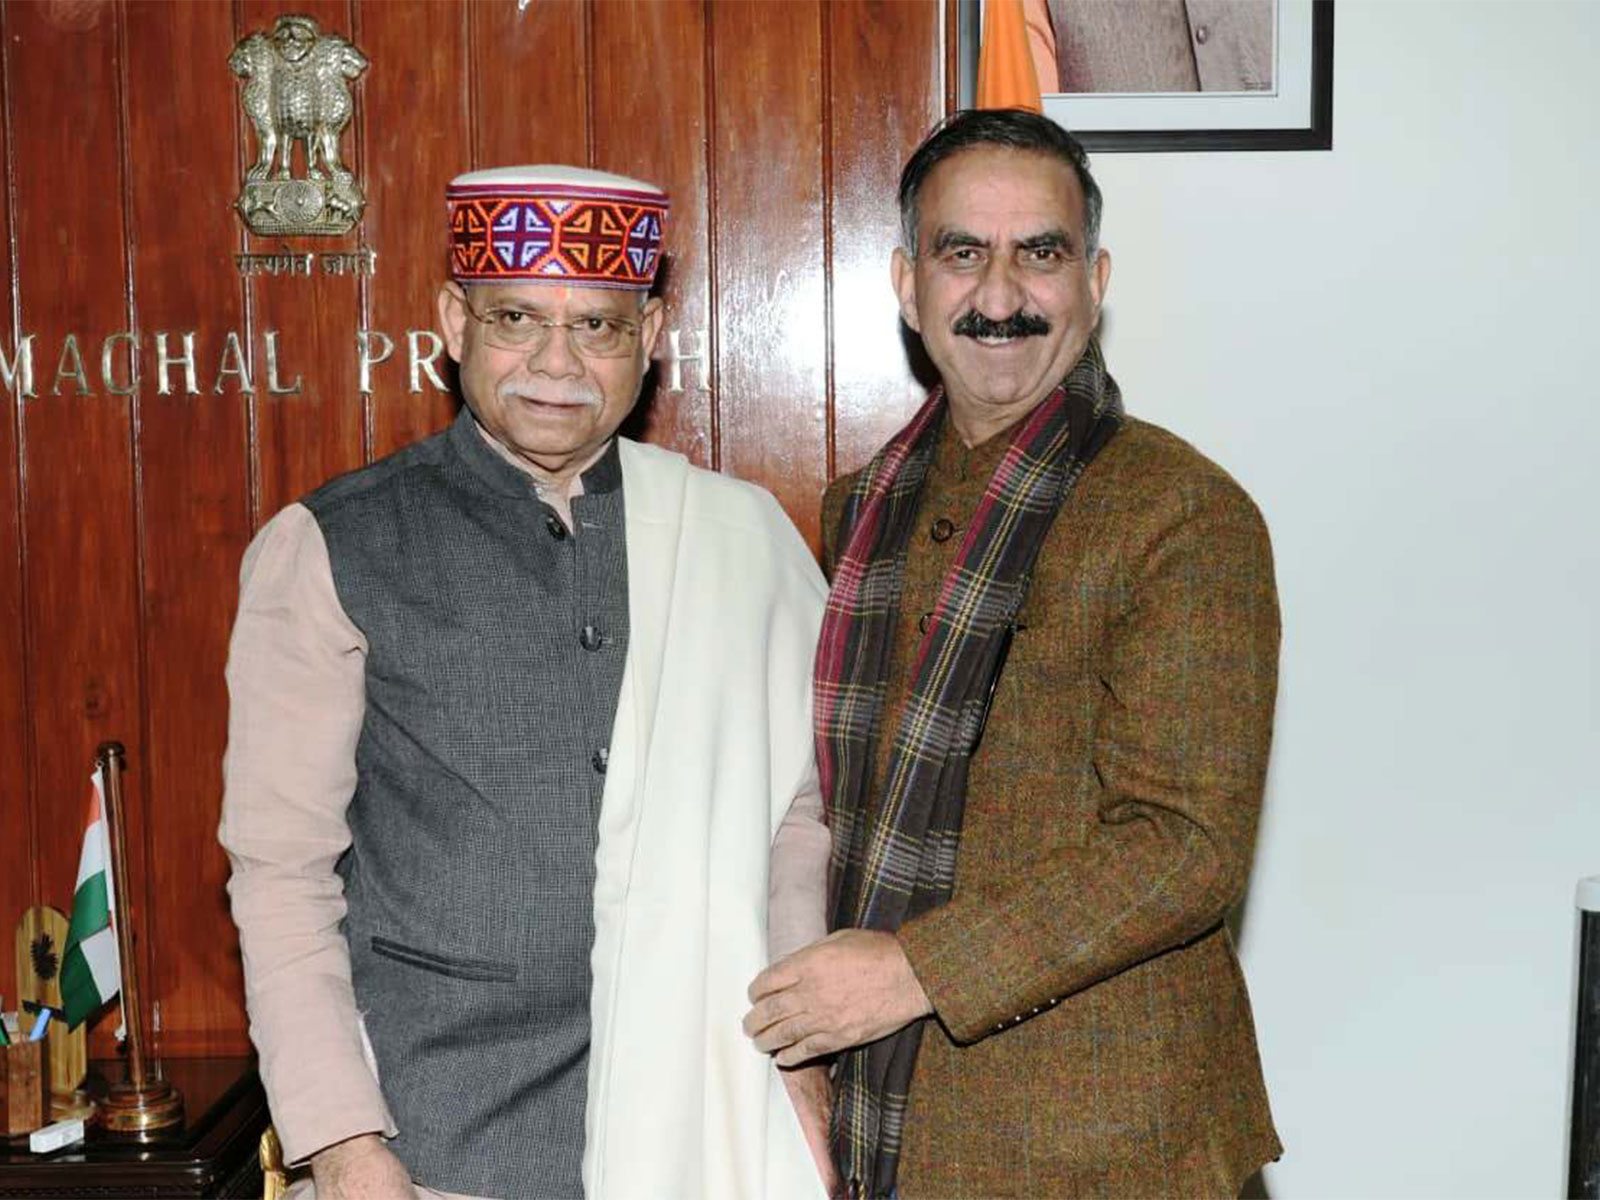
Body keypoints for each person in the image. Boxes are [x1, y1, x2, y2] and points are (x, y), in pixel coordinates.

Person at [221, 165, 831, 1200]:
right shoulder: (335, 543)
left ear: (650, 336)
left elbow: (793, 821)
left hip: (708, 1125)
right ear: (453, 322)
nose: (558, 363)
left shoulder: (743, 539)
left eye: (597, 325)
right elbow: (281, 872)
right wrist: (342, 1143)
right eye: (517, 318)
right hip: (435, 1146)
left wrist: (802, 1079)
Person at [744, 109, 1282, 1197]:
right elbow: (825, 796)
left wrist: (911, 971)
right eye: (962, 253)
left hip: (1115, 1146)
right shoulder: (858, 510)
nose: (1000, 297)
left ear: (1094, 279)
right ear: (907, 284)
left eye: (1040, 252)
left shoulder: (1181, 513)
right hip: (884, 1125)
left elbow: (1183, 846)